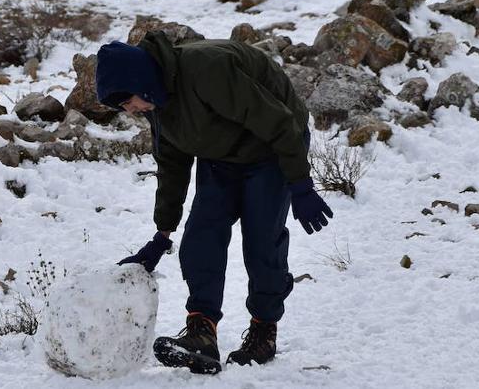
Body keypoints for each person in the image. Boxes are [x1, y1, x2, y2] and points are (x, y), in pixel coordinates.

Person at [95, 30, 333, 375]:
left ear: (140, 81)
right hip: (221, 154)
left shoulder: (208, 71)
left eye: (127, 100)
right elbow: (172, 165)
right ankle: (201, 334)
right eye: (122, 107)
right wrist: (162, 235)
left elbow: (279, 122)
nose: (129, 110)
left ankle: (264, 331)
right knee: (201, 236)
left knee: (262, 240)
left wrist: (300, 183)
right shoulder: (156, 101)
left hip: (273, 147)